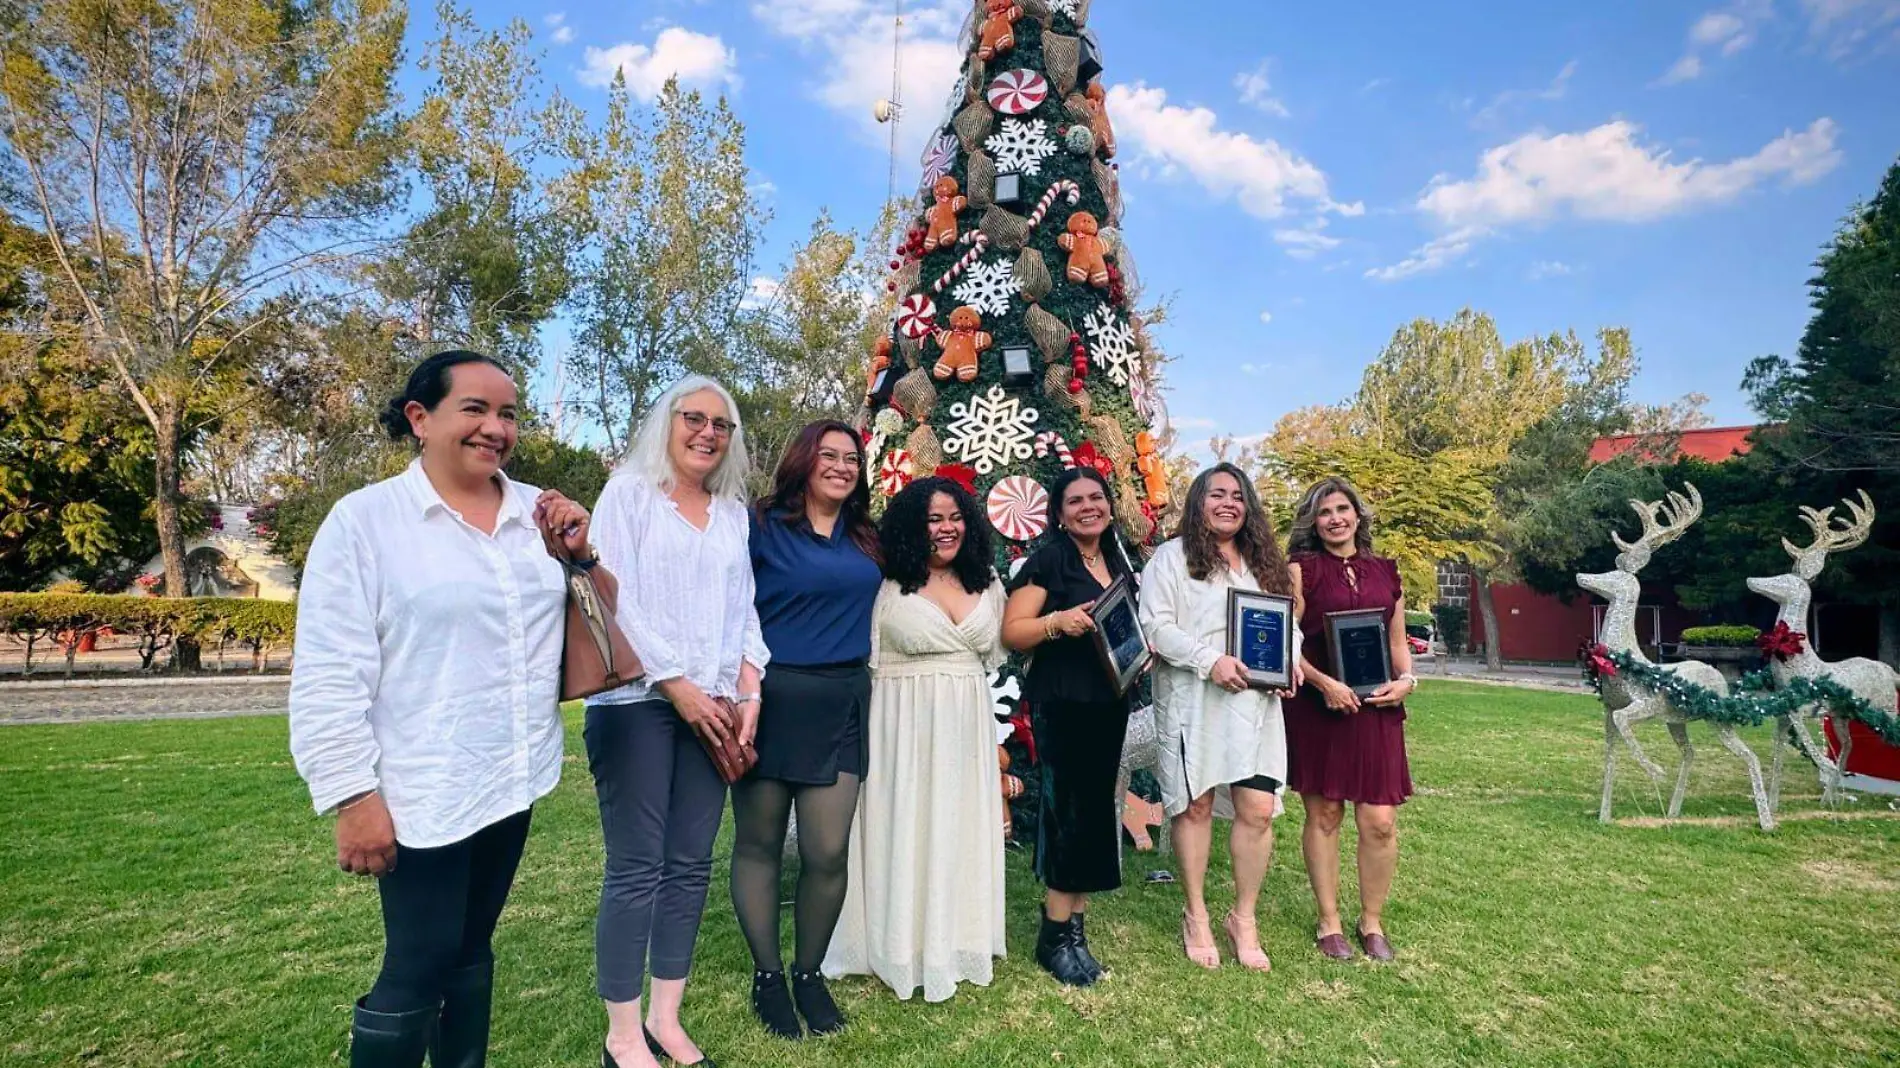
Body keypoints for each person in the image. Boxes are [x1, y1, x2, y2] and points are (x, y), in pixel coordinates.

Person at [289, 349, 599, 1068]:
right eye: (476, 409)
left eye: (509, 414)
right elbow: (331, 671)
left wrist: (579, 552)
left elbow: (591, 611)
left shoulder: (536, 513)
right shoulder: (366, 523)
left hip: (513, 775)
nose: (496, 428)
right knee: (418, 963)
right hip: (420, 787)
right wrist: (351, 794)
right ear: (420, 419)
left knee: (469, 949)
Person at [587, 376, 769, 1068]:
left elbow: (744, 608)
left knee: (690, 866)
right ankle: (623, 1035)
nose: (707, 434)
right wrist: (677, 685)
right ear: (667, 422)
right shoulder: (629, 495)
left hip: (717, 709)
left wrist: (748, 688)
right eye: (694, 418)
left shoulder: (731, 510)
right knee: (637, 867)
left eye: (721, 425)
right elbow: (610, 598)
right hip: (636, 706)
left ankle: (666, 1019)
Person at [823, 477, 1009, 1002]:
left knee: (958, 823)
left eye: (955, 517)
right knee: (904, 820)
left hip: (966, 719)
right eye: (934, 518)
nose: (946, 528)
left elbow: (997, 651)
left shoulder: (987, 580)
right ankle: (898, 943)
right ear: (911, 525)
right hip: (901, 721)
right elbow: (867, 658)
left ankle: (960, 939)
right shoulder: (886, 584)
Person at [732, 421, 882, 1038]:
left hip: (843, 699)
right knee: (760, 843)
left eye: (852, 459)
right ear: (804, 460)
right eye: (830, 455)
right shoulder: (760, 524)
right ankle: (768, 976)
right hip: (769, 698)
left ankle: (809, 973)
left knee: (826, 850)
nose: (842, 467)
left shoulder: (867, 537)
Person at [1140, 464, 1301, 972]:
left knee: (1257, 810)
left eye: (1237, 495)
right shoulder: (1172, 558)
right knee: (1196, 807)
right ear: (1198, 502)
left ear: (1248, 505)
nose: (1228, 503)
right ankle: (1196, 914)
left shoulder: (1264, 563)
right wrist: (1212, 662)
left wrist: (1290, 662)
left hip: (1255, 706)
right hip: (1196, 701)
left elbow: (1287, 624)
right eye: (1217, 494)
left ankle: (1244, 918)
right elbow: (1156, 628)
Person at [1001, 466, 1135, 987]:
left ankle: (1074, 930)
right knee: (1068, 817)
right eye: (1075, 500)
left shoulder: (1116, 556)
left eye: (1096, 497)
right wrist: (1059, 622)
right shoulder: (1050, 560)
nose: (1088, 507)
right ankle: (1053, 935)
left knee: (1094, 813)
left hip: (1108, 702)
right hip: (1063, 704)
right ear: (1058, 514)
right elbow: (1014, 631)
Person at [1284, 477, 1417, 962]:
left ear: (1358, 515)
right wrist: (1324, 684)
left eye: (1343, 508)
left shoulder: (1386, 571)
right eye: (1324, 512)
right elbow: (1285, 643)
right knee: (1324, 815)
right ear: (1313, 522)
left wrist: (1407, 682)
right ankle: (1329, 922)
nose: (1335, 518)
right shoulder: (1300, 571)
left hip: (1378, 709)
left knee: (1380, 822)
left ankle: (1372, 922)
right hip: (1321, 706)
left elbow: (1399, 644)